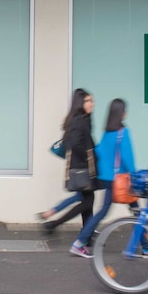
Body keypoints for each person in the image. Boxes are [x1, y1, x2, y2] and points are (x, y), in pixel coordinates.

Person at [70, 98, 148, 258]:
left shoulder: (108, 133)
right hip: (122, 180)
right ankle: (79, 242)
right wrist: (134, 175)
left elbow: (100, 152)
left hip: (109, 179)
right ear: (122, 113)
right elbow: (127, 157)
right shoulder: (123, 132)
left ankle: (147, 247)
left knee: (117, 211)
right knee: (135, 212)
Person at [40, 88, 97, 240]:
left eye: (92, 100)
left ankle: (87, 234)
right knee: (87, 202)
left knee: (87, 201)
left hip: (81, 168)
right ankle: (54, 224)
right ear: (80, 103)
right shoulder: (79, 120)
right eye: (88, 101)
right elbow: (77, 145)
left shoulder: (81, 119)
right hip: (81, 168)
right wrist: (89, 158)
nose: (92, 104)